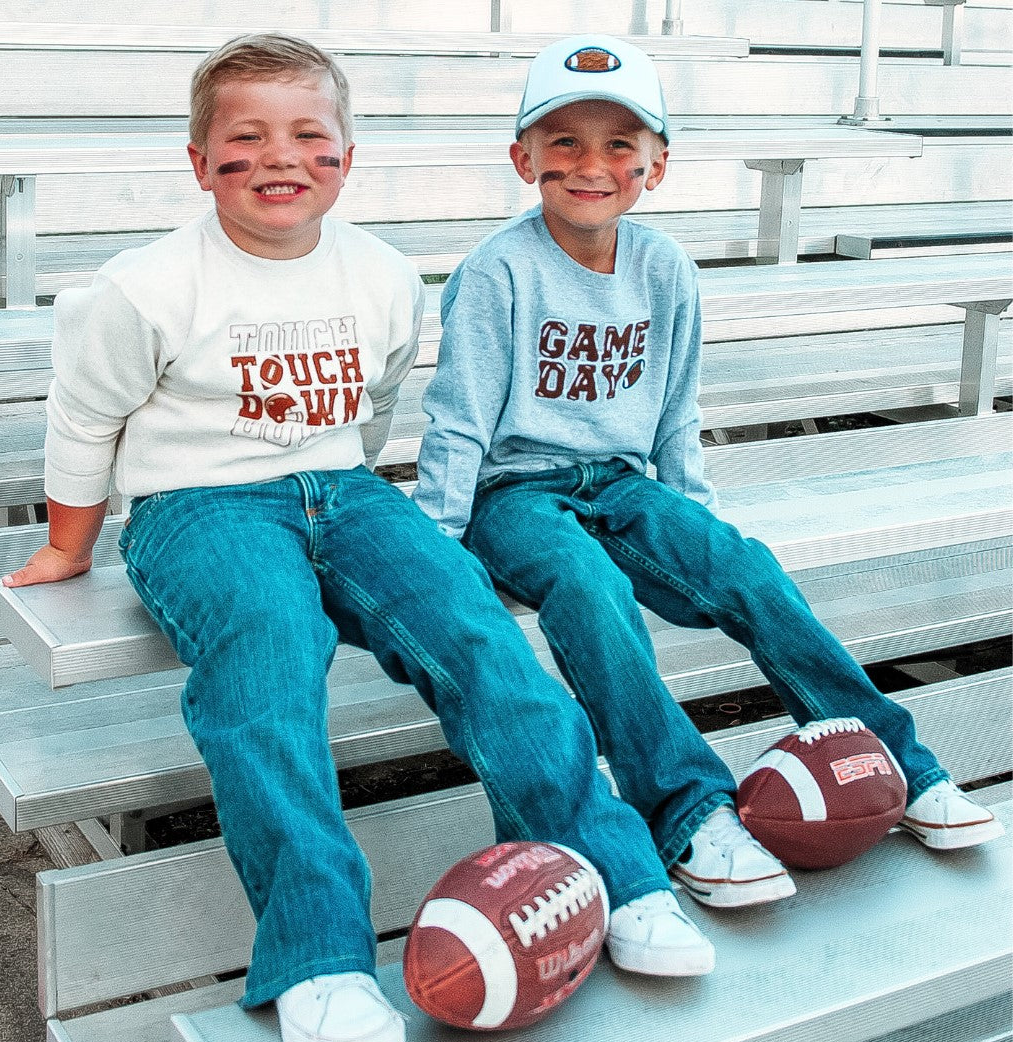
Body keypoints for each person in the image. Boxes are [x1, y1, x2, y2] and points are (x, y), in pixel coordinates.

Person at [3, 33, 725, 1042]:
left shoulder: (384, 273)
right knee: (268, 648)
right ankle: (316, 955)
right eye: (245, 139)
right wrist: (71, 548)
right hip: (198, 506)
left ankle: (613, 873)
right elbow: (83, 420)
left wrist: (349, 511)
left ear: (348, 155)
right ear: (200, 161)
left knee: (477, 630)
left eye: (309, 135)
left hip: (346, 490)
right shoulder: (142, 288)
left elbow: (377, 402)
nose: (280, 158)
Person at [414, 33, 1005, 931]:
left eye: (619, 144)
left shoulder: (666, 270)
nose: (591, 164)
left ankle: (900, 764)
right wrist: (438, 551)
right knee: (589, 588)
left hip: (621, 482)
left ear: (657, 165)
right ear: (523, 156)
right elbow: (457, 422)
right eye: (564, 141)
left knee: (748, 570)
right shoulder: (498, 272)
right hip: (516, 493)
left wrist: (695, 529)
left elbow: (674, 413)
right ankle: (689, 813)